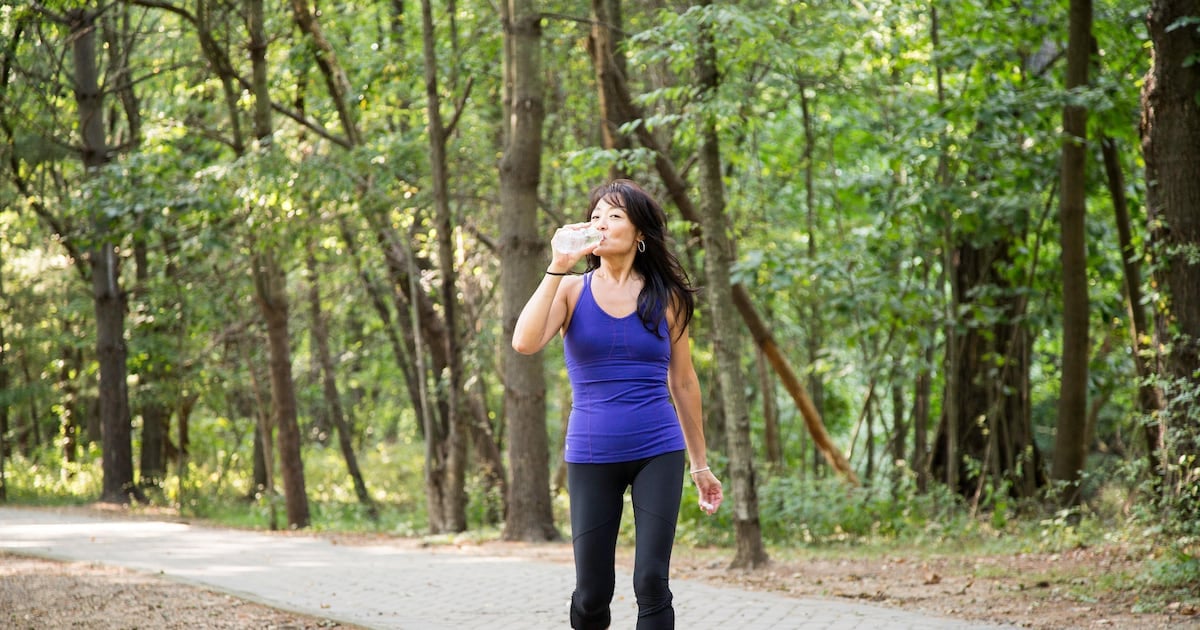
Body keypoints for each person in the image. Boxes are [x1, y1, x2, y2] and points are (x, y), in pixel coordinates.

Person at [512, 179, 723, 629]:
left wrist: (700, 464)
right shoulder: (570, 291)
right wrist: (556, 266)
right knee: (592, 595)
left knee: (650, 581)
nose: (601, 224)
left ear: (640, 233)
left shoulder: (668, 298)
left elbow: (684, 383)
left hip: (658, 449)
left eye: (614, 216)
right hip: (591, 451)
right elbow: (524, 342)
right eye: (595, 216)